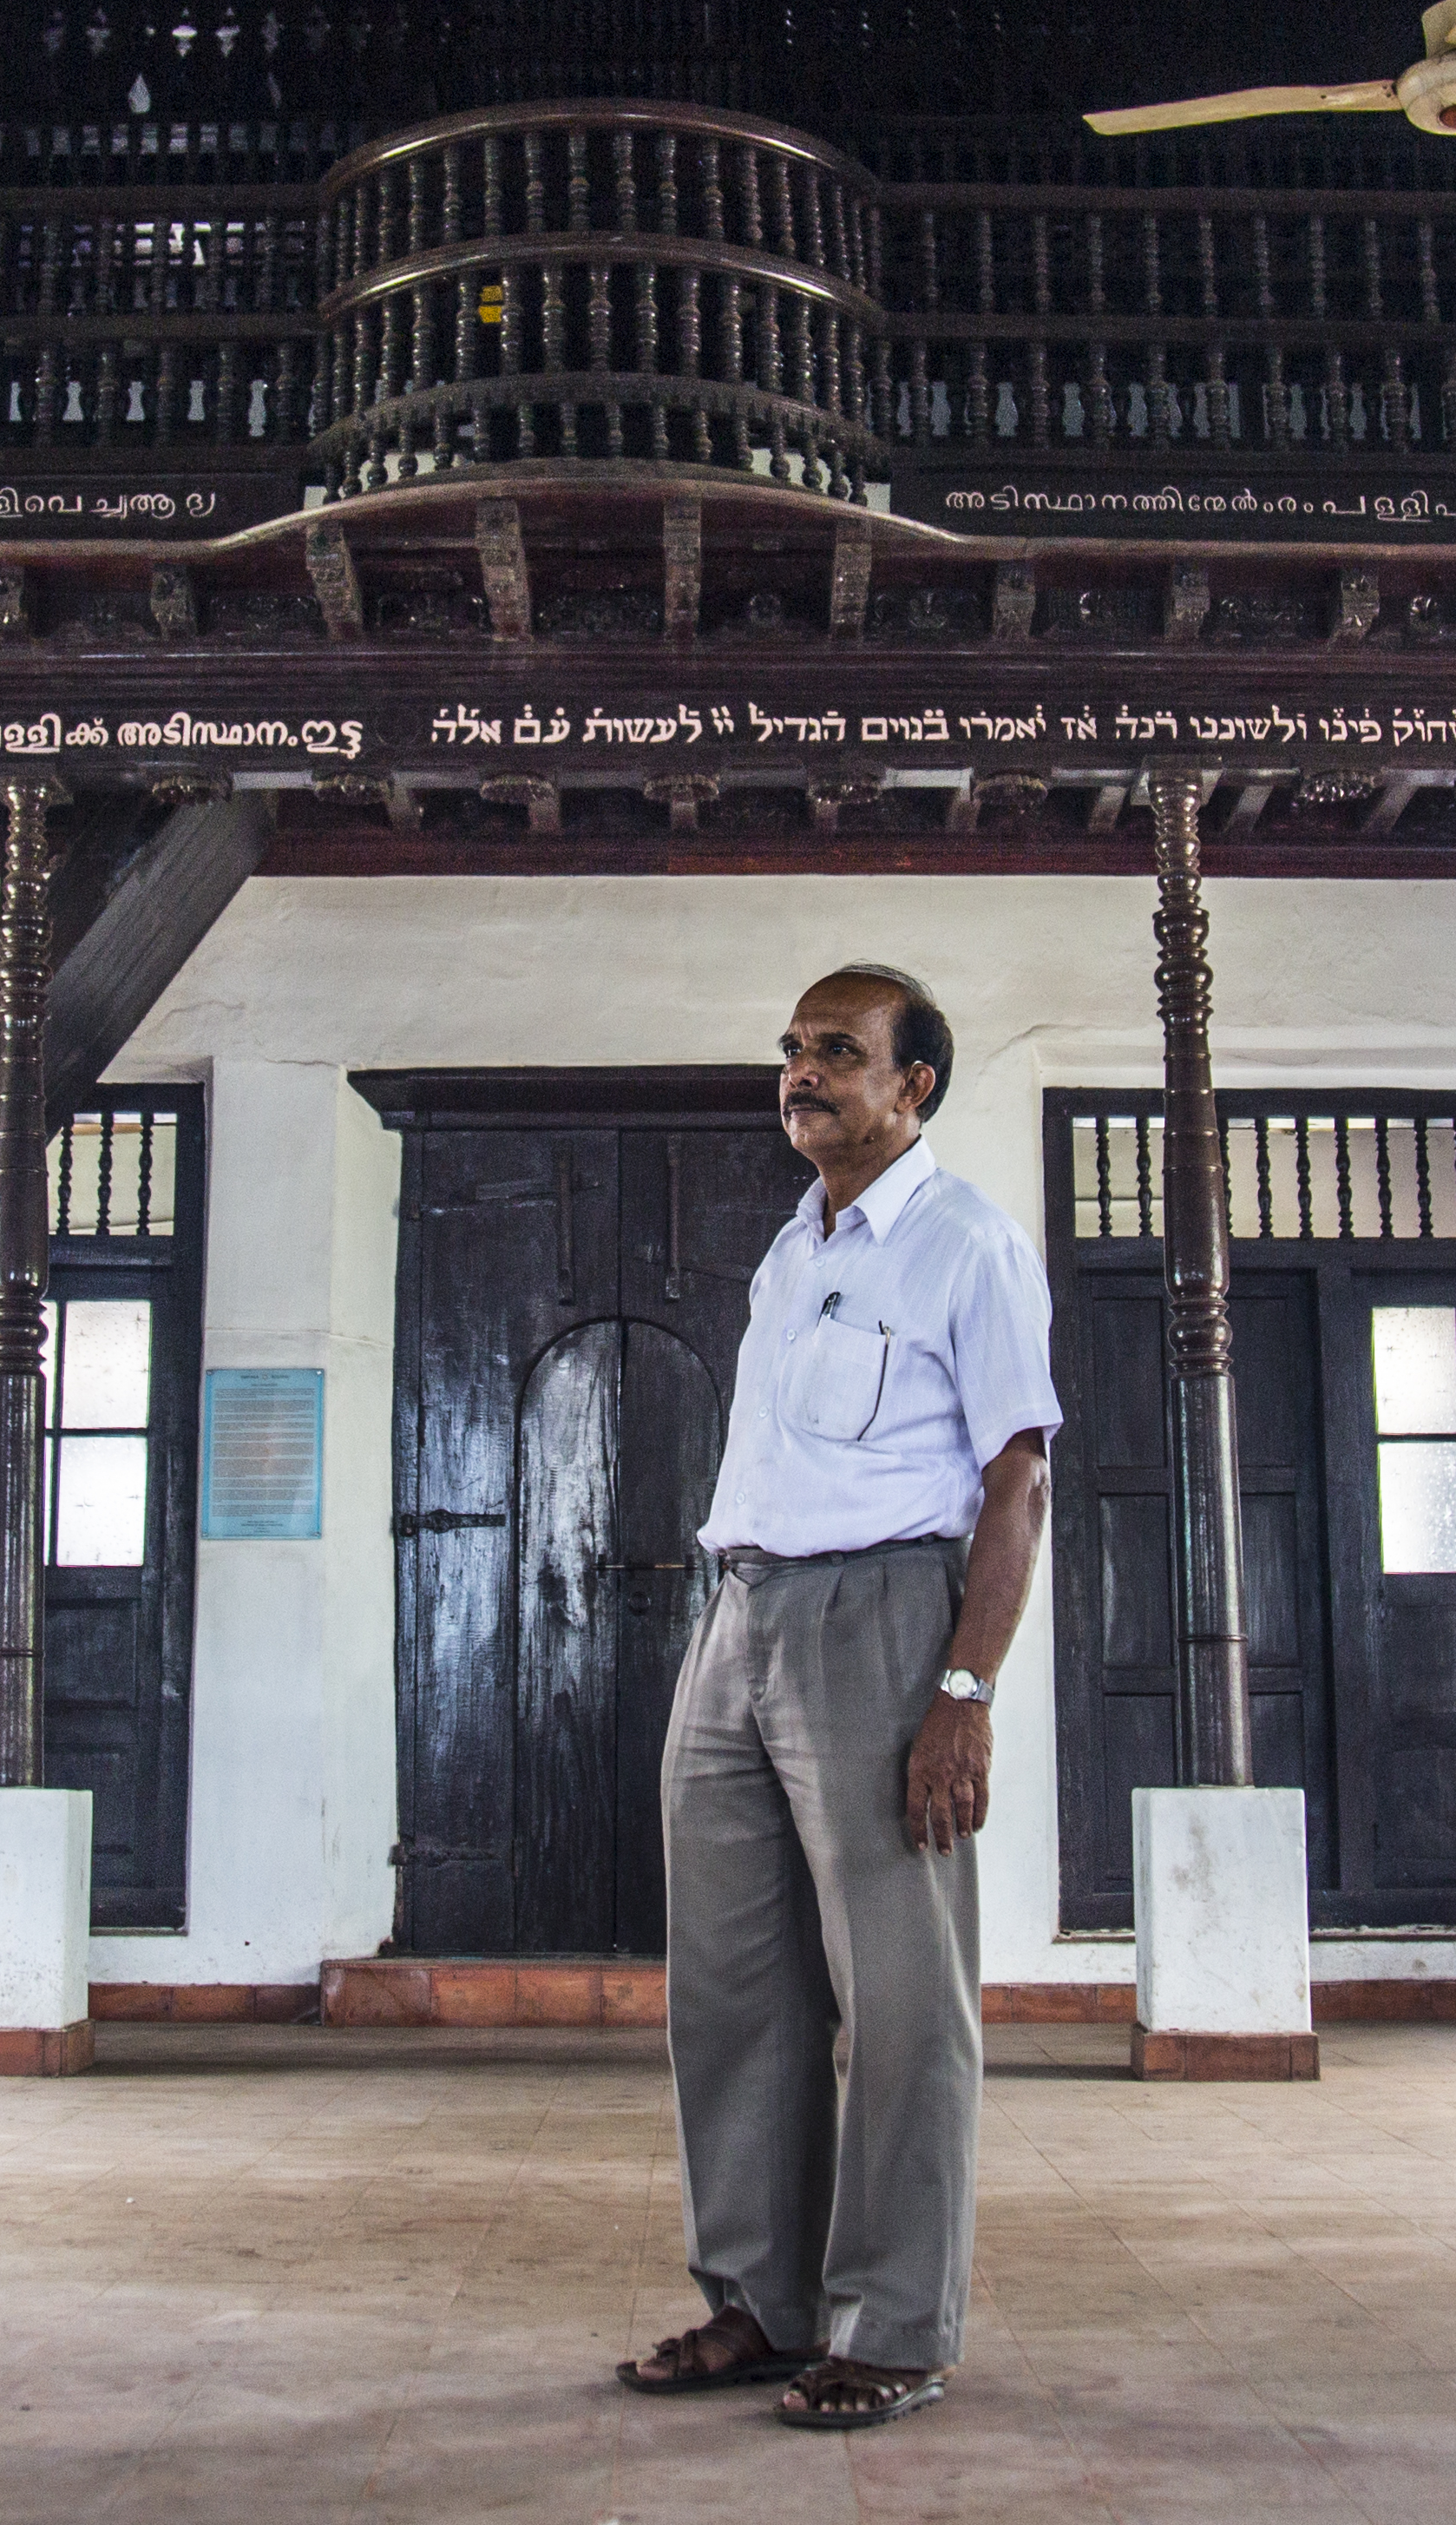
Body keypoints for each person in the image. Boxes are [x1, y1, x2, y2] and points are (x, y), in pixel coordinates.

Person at [613, 963, 1060, 2435]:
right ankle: (760, 2300)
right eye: (794, 1049)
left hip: (881, 1625)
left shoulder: (967, 1246)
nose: (803, 1073)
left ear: (914, 1083)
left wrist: (962, 1691)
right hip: (736, 1616)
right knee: (732, 1991)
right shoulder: (790, 1250)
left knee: (902, 1993)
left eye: (839, 1052)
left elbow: (1018, 1480)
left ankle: (895, 2322)